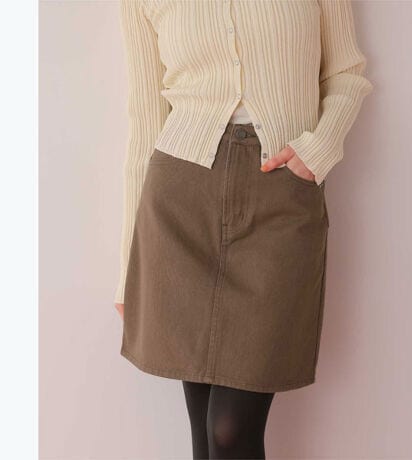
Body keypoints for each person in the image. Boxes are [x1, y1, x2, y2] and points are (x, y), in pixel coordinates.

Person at [114, 1, 373, 458]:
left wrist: (318, 150)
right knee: (205, 430)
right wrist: (126, 269)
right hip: (181, 200)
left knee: (229, 430)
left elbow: (346, 73)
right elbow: (146, 122)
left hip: (281, 193)